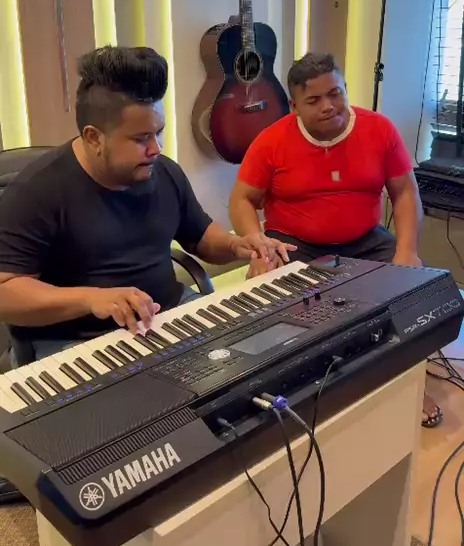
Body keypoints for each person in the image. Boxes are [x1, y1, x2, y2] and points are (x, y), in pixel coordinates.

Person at [0, 46, 294, 364]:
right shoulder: (37, 191)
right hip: (80, 343)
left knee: (260, 361)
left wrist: (238, 245)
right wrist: (90, 299)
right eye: (141, 138)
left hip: (169, 317)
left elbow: (201, 238)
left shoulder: (163, 172)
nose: (157, 148)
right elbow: (5, 292)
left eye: (159, 133)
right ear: (94, 138)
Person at [229, 51, 441, 428]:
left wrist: (408, 251)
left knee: (410, 290)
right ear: (294, 105)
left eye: (335, 93)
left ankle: (408, 379)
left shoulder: (379, 130)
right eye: (314, 100)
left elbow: (406, 193)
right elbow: (242, 199)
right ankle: (292, 391)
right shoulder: (271, 140)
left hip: (365, 239)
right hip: (293, 242)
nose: (329, 106)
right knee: (267, 296)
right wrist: (257, 243)